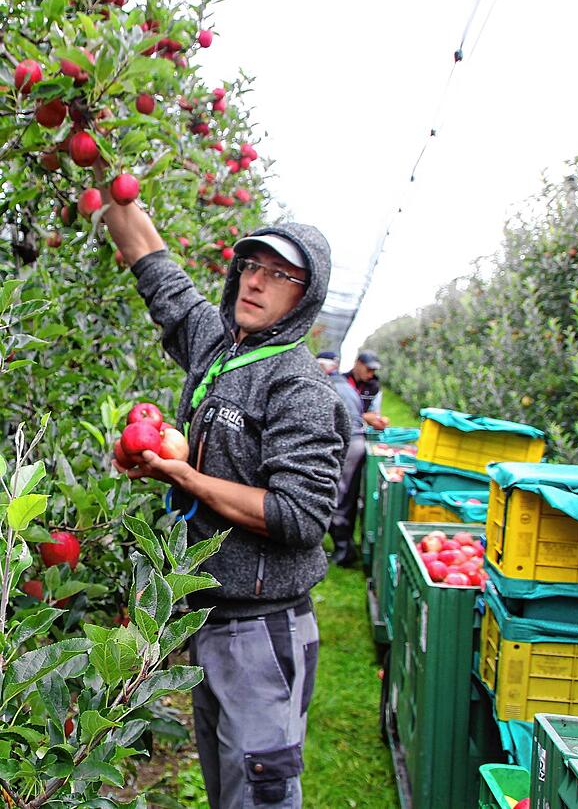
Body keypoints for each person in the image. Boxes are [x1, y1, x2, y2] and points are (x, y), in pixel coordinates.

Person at [99, 191, 350, 809]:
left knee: (258, 793)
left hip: (262, 630)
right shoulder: (221, 349)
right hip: (211, 619)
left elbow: (300, 517)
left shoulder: (299, 387)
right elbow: (156, 267)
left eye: (281, 275)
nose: (258, 283)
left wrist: (186, 479)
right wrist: (103, 166)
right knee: (225, 789)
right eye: (253, 267)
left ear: (305, 296)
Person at [326, 350, 390, 567]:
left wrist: (374, 419)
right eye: (368, 368)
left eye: (374, 370)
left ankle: (344, 548)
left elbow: (370, 413)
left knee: (345, 495)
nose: (371, 374)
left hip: (355, 440)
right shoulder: (342, 382)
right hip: (345, 439)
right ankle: (342, 544)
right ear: (357, 364)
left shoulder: (374, 387)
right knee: (342, 493)